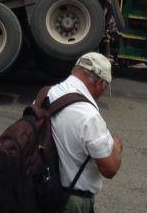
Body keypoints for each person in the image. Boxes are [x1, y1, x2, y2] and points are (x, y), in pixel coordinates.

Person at [48, 52, 122, 213]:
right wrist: (116, 148)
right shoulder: (89, 116)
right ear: (99, 83)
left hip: (43, 192)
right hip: (71, 201)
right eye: (104, 89)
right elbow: (109, 169)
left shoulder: (47, 94)